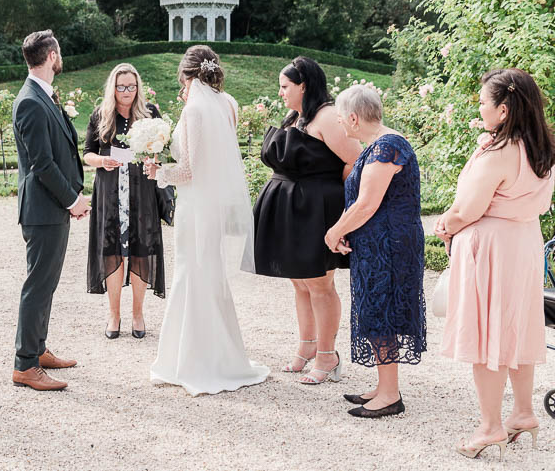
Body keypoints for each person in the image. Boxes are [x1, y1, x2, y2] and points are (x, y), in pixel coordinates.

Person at [436, 68, 555, 461]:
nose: (480, 108)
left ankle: (490, 427)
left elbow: (469, 209)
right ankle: (522, 412)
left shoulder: (500, 154)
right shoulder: (542, 151)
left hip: (492, 249)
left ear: (503, 110)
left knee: (488, 336)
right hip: (523, 244)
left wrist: (445, 224)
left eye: (484, 102)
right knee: (517, 328)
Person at [144, 45, 269, 396]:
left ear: (187, 76)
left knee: (192, 275)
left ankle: (189, 362)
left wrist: (159, 171)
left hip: (195, 208)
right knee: (209, 276)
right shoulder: (228, 103)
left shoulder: (195, 111)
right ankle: (222, 357)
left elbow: (189, 170)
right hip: (212, 208)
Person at [249, 56, 361, 384]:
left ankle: (328, 355)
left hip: (316, 211)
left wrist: (333, 203)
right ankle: (308, 346)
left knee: (320, 284)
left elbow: (355, 160)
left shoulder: (327, 117)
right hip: (291, 210)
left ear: (303, 86)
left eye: (285, 86)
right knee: (299, 282)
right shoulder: (296, 117)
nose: (280, 92)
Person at [322, 84, 426, 418]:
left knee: (381, 311)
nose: (340, 125)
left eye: (340, 119)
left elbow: (367, 203)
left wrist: (335, 231)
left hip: (390, 247)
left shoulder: (387, 147)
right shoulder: (379, 145)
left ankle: (390, 395)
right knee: (375, 310)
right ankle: (383, 387)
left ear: (353, 118)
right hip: (379, 243)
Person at [11, 30, 88, 391]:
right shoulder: (30, 101)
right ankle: (25, 364)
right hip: (44, 209)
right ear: (52, 55)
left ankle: (38, 349)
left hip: (51, 208)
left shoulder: (42, 96)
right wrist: (72, 200)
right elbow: (42, 164)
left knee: (47, 283)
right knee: (38, 285)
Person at [83, 63, 165, 339]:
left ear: (138, 87)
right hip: (109, 190)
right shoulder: (101, 115)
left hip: (141, 191)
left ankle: (138, 314)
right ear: (113, 88)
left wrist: (155, 158)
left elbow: (163, 150)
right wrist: (102, 160)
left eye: (131, 86)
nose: (126, 92)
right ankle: (114, 314)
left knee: (141, 249)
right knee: (112, 250)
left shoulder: (150, 113)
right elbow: (86, 154)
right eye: (121, 87)